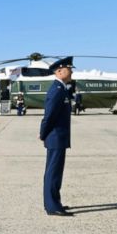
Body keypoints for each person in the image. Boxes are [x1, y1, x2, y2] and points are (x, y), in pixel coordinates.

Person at [39, 57, 75, 217]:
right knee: (53, 172)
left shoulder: (62, 88)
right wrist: (43, 133)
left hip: (58, 137)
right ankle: (52, 206)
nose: (72, 71)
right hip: (55, 137)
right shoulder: (57, 90)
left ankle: (55, 201)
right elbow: (49, 116)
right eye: (69, 69)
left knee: (56, 172)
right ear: (59, 71)